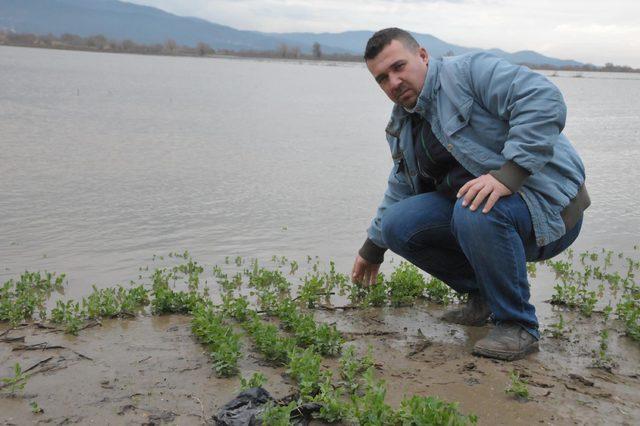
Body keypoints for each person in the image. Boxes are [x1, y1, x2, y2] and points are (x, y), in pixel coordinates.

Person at [351, 28, 590, 361]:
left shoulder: (470, 72)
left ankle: (517, 325)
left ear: (422, 55)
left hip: (550, 211)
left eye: (399, 67)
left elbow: (543, 98)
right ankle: (484, 297)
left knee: (475, 207)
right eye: (382, 79)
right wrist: (373, 247)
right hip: (485, 216)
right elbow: (401, 185)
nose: (393, 82)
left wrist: (510, 175)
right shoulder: (403, 124)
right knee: (397, 224)